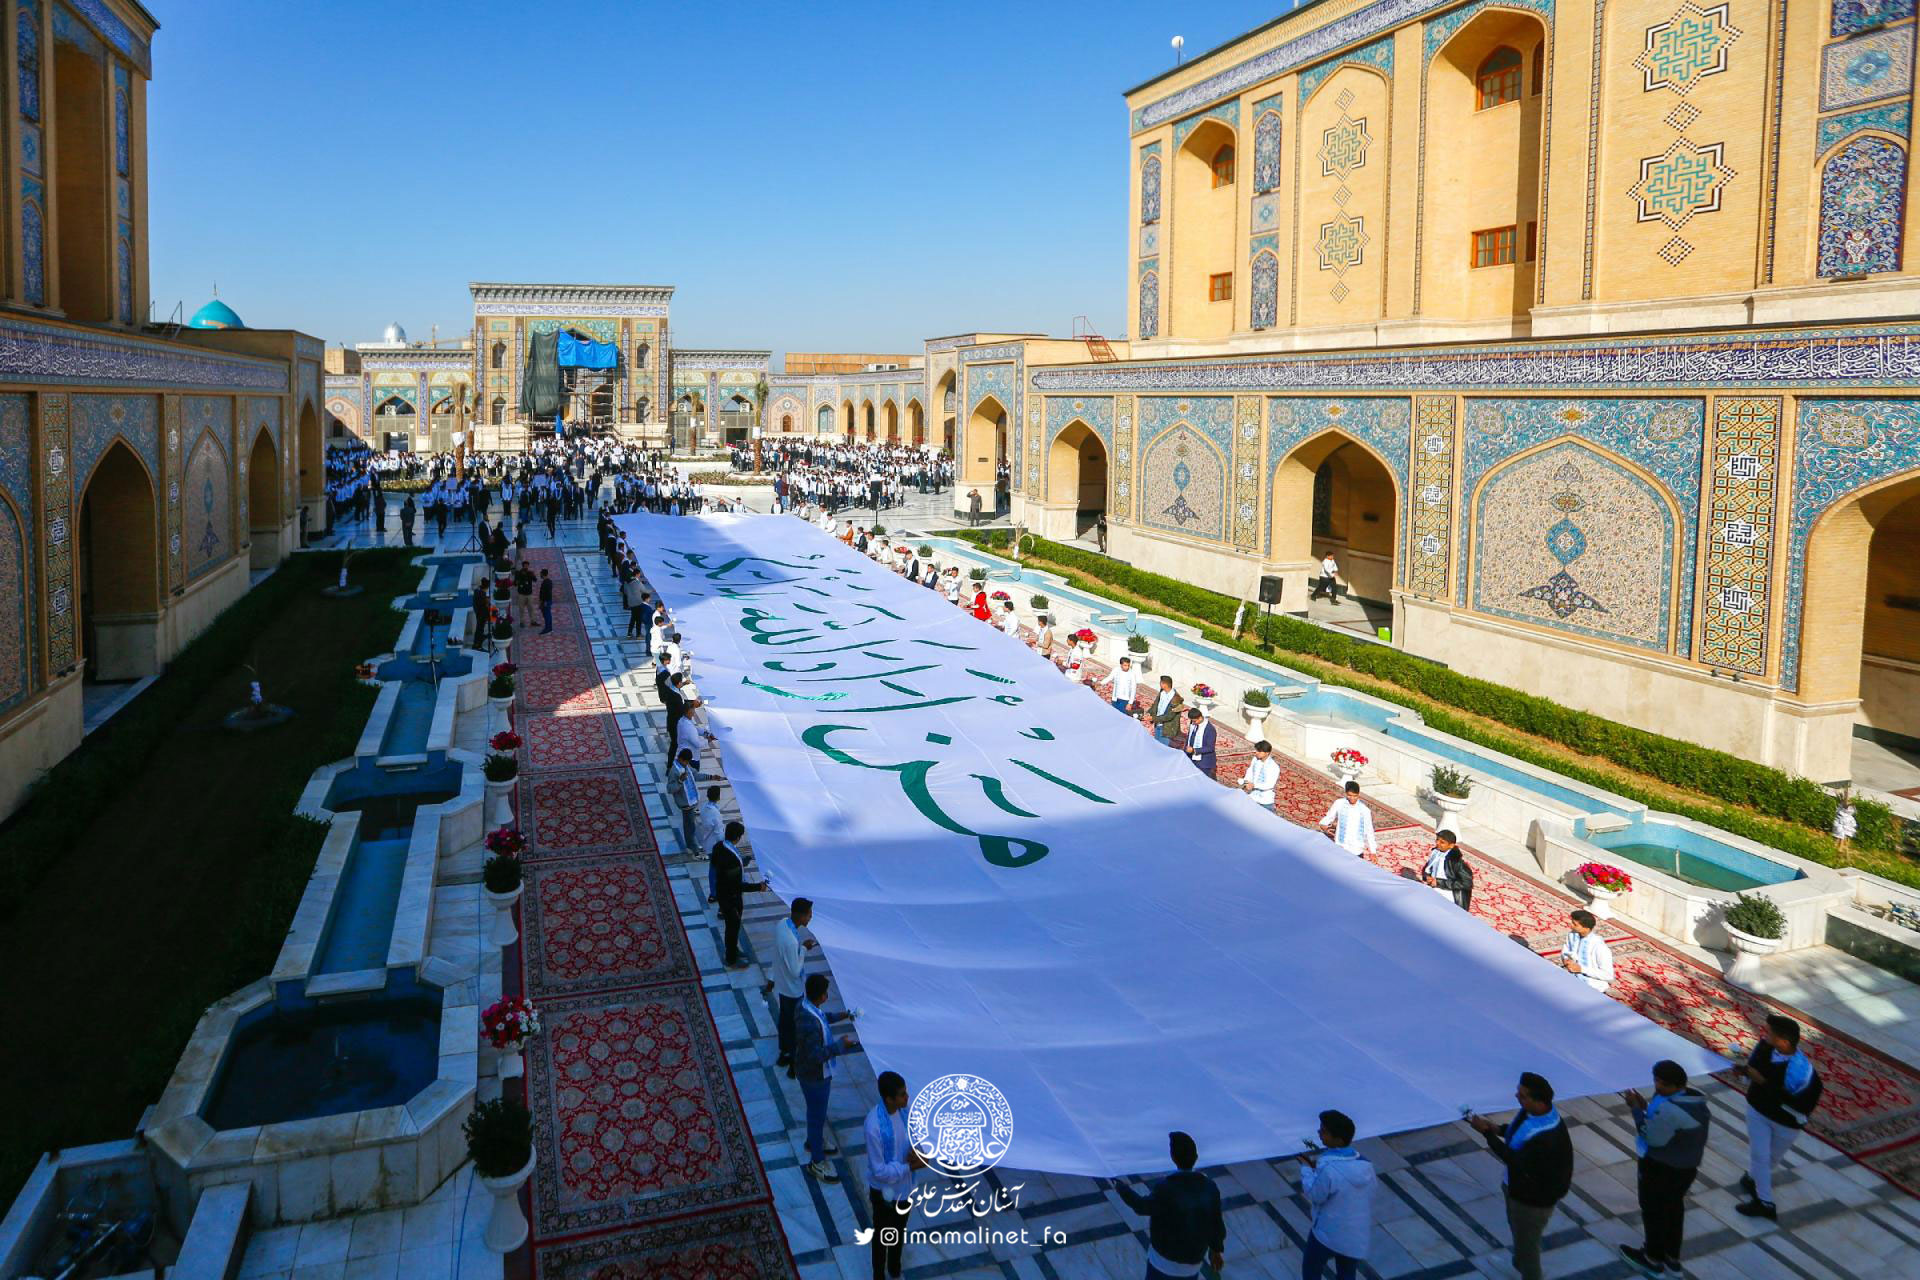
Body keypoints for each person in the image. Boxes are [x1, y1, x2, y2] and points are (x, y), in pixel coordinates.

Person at [1469, 1072, 1572, 1280]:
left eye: (1522, 1095)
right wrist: (1496, 1128)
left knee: (1528, 1248)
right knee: (1519, 1232)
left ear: (1539, 1101)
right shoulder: (1533, 1114)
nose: (1517, 1096)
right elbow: (1518, 1132)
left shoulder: (1547, 1136)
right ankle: (1518, 1264)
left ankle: (1528, 1272)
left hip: (1532, 1201)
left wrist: (1486, 1133)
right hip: (1518, 1188)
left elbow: (1513, 1158)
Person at [1620, 1060, 1711, 1276]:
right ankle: (1671, 1257)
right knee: (1673, 1210)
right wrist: (1645, 1106)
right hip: (1686, 1167)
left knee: (1653, 1210)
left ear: (1678, 1085)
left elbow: (1651, 1136)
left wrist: (1636, 1110)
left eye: (1663, 1083)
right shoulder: (1693, 1100)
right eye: (1656, 1080)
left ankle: (1652, 1259)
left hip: (1662, 1167)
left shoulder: (1672, 1110)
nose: (1658, 1086)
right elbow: (1662, 1120)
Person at [1735, 1014, 1823, 1220]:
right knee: (1760, 1156)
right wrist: (1744, 1073)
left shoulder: (1802, 1073)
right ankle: (1765, 1203)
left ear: (1783, 1042)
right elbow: (1753, 1070)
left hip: (1786, 1122)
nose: (1765, 1035)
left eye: (1769, 1033)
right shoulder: (1764, 1048)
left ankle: (1752, 1178)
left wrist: (1762, 1082)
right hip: (1758, 1112)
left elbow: (1800, 1105)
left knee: (1771, 1158)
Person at [1113, 1131, 1225, 1280]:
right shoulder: (1210, 1188)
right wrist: (1216, 1250)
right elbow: (1216, 1223)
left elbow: (1141, 1206)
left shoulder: (1166, 1188)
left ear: (1173, 1157)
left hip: (1162, 1264)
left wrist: (1121, 1188)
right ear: (1196, 1157)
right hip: (1192, 1265)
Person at [795, 972, 857, 1182]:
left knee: (815, 1113)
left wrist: (843, 1015)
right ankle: (817, 1162)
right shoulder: (810, 1022)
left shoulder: (805, 1006)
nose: (827, 996)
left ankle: (814, 1141)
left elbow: (824, 1018)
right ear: (821, 996)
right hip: (815, 1077)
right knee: (817, 1116)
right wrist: (839, 1046)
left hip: (811, 1073)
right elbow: (816, 1056)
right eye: (825, 993)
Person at [1297, 1109, 1375, 1280]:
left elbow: (1315, 1195)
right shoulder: (1366, 1165)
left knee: (1311, 1269)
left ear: (1338, 1139)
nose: (1319, 1133)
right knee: (1347, 1273)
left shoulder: (1330, 1170)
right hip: (1355, 1234)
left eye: (1324, 1131)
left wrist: (1307, 1169)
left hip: (1326, 1232)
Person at [865, 1071, 924, 1280]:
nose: (907, 1097)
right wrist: (910, 1167)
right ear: (889, 1099)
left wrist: (919, 1153)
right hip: (884, 1193)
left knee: (899, 1229)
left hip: (904, 1189)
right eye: (902, 1095)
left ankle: (894, 1267)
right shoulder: (873, 1126)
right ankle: (878, 1274)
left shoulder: (904, 1112)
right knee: (882, 1234)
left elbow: (914, 1138)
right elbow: (879, 1171)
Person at [767, 897, 817, 1075]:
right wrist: (804, 949)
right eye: (809, 915)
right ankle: (794, 1064)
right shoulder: (791, 941)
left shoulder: (782, 925)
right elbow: (795, 970)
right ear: (801, 915)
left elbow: (776, 954)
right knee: (796, 1026)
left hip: (782, 986)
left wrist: (771, 978)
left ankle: (784, 1053)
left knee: (785, 1021)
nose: (810, 917)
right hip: (793, 990)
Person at [711, 821, 764, 970]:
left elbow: (718, 866)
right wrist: (758, 887)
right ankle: (731, 958)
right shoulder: (731, 859)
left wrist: (742, 863)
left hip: (723, 891)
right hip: (731, 898)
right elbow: (737, 885)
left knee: (732, 926)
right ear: (738, 837)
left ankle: (733, 949)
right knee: (732, 927)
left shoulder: (719, 846)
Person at [1558, 909, 1614, 993]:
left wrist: (1581, 969)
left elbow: (1608, 976)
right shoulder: (1572, 935)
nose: (1571, 926)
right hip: (1572, 977)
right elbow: (1565, 950)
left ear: (1586, 928)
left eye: (1575, 924)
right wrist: (1566, 959)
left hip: (1592, 986)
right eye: (1572, 922)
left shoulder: (1599, 947)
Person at [1318, 781, 1378, 858]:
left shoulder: (1364, 810)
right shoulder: (1339, 803)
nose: (1352, 798)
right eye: (1349, 795)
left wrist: (1373, 851)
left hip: (1356, 849)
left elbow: (1369, 831)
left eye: (1355, 796)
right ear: (1346, 793)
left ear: (1358, 794)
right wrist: (1324, 825)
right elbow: (1328, 818)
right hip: (1341, 846)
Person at [1421, 829, 1474, 910]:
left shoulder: (1456, 862)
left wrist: (1439, 882)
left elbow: (1467, 883)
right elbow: (1428, 867)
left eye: (1442, 842)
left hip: (1448, 894)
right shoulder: (1435, 852)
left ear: (1451, 845)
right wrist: (1427, 876)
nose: (1437, 843)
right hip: (1433, 887)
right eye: (1437, 840)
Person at [669, 747, 700, 853]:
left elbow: (695, 775)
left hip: (690, 802)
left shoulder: (685, 766)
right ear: (681, 759)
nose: (687, 764)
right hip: (685, 804)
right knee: (690, 826)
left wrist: (711, 777)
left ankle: (691, 844)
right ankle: (692, 847)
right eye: (686, 761)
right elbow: (670, 789)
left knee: (689, 825)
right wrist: (680, 781)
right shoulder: (674, 771)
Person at [1241, 739, 1280, 807]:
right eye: (1256, 750)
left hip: (1265, 801)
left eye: (1259, 751)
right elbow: (1250, 772)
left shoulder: (1274, 767)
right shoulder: (1255, 759)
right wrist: (1246, 782)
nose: (1256, 753)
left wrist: (1253, 785)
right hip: (1252, 796)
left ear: (1267, 753)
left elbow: (1269, 785)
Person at [1147, 676, 1184, 744]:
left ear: (1165, 684)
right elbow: (1155, 705)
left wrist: (1153, 718)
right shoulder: (1162, 692)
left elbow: (1169, 716)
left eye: (1160, 683)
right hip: (1158, 724)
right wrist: (1149, 713)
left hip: (1167, 727)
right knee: (1156, 745)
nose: (1159, 684)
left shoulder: (1176, 699)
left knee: (1163, 747)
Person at [1183, 707, 1217, 777]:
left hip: (1203, 762)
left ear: (1200, 718)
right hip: (1191, 758)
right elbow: (1189, 738)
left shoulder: (1210, 729)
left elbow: (1210, 748)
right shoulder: (1193, 725)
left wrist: (1194, 750)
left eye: (1195, 721)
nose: (1193, 723)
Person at [693, 784, 723, 864]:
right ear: (718, 797)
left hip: (707, 840)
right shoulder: (714, 812)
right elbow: (718, 831)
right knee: (716, 864)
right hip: (714, 844)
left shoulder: (704, 806)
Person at [538, 568, 555, 635]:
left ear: (542, 574)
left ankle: (547, 629)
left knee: (546, 615)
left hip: (546, 601)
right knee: (548, 614)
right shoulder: (549, 581)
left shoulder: (545, 583)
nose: (540, 575)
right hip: (548, 600)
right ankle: (549, 628)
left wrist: (543, 602)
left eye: (540, 574)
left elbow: (545, 593)